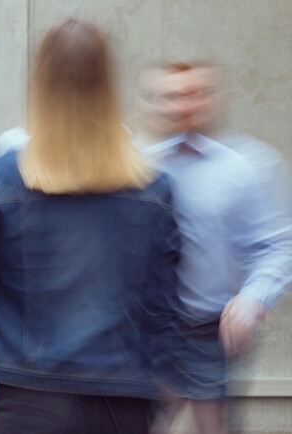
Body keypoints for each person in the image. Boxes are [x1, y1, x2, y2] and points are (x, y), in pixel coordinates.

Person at [0, 19, 184, 433]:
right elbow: (162, 304)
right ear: (107, 85)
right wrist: (168, 379)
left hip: (29, 398)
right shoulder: (154, 188)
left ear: (40, 83)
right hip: (123, 400)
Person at [139, 60, 292, 434]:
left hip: (211, 332)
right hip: (147, 331)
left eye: (193, 95)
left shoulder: (244, 167)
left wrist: (253, 298)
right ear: (152, 103)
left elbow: (276, 246)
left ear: (212, 101)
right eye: (170, 96)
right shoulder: (135, 165)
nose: (180, 106)